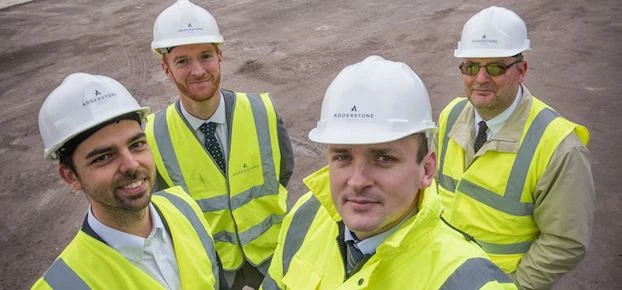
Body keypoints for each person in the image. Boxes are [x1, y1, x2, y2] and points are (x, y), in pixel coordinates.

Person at [262, 55, 516, 290]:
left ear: (426, 169)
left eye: (383, 158)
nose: (358, 181)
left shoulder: (470, 281)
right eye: (342, 156)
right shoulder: (305, 217)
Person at [436, 6, 595, 289]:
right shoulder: (451, 115)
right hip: (439, 272)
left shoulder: (559, 146)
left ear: (521, 70)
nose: (480, 79)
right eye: (471, 66)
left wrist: (516, 286)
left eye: (495, 67)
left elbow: (565, 241)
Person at [145, 1, 294, 288]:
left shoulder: (262, 111)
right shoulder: (154, 136)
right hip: (212, 272)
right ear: (166, 67)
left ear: (220, 55)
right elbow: (164, 213)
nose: (198, 70)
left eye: (205, 56)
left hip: (274, 261)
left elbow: (284, 172)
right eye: (182, 61)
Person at [32, 73, 223, 289]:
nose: (131, 165)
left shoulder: (183, 206)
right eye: (104, 157)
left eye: (136, 145)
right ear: (71, 176)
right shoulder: (62, 285)